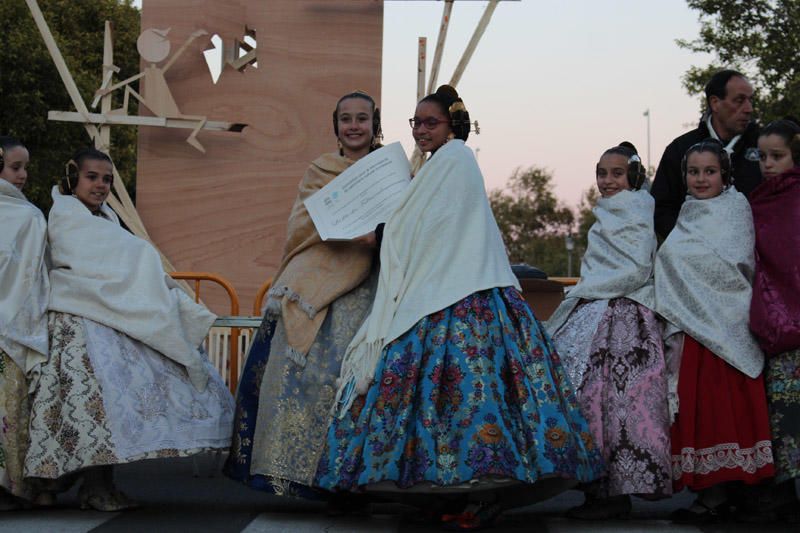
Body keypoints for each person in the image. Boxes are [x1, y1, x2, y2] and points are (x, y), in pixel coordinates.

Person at [316, 85, 602, 531]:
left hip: (462, 292)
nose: (422, 131)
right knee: (471, 399)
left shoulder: (455, 159)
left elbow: (432, 224)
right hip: (451, 289)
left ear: (453, 126)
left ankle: (479, 493)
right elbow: (421, 223)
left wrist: (380, 236)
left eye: (431, 123)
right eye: (416, 123)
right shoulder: (433, 167)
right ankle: (451, 494)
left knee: (468, 398)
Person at [24, 148, 234, 511]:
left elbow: (120, 265)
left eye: (107, 179)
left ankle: (97, 485)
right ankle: (87, 488)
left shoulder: (105, 218)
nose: (101, 185)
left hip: (106, 318)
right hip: (78, 323)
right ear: (73, 177)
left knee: (111, 411)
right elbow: (112, 259)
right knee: (93, 412)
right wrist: (144, 260)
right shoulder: (65, 216)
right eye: (92, 177)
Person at [224, 91, 383, 501]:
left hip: (377, 282)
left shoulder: (391, 171)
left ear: (374, 123)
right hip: (320, 276)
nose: (353, 126)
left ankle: (360, 481)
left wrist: (378, 234)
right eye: (345, 118)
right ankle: (304, 477)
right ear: (335, 126)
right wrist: (353, 228)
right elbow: (305, 222)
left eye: (361, 118)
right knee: (307, 376)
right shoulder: (321, 169)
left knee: (361, 380)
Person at [546, 143, 671, 519]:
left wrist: (587, 292)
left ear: (632, 176)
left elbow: (635, 267)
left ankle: (614, 493)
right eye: (602, 173)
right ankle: (596, 490)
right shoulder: (604, 215)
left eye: (617, 173)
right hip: (598, 309)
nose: (608, 181)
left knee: (619, 407)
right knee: (589, 400)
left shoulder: (638, 211)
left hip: (626, 318)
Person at [654, 139, 774, 524]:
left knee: (727, 414)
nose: (701, 179)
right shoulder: (686, 214)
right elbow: (674, 267)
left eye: (709, 171)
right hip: (692, 331)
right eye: (693, 172)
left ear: (725, 173)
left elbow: (738, 265)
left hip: (729, 329)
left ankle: (734, 493)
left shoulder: (738, 209)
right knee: (699, 414)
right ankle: (711, 493)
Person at [744, 119, 800, 521]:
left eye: (777, 156)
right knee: (779, 411)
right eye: (762, 156)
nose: (768, 164)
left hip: (789, 313)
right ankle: (782, 495)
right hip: (777, 324)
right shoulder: (758, 199)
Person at [651, 70, 761, 238]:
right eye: (739, 100)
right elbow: (661, 208)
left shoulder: (765, 147)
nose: (748, 108)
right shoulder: (680, 149)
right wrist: (691, 242)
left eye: (750, 100)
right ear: (715, 103)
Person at [0, 137, 49, 510]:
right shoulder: (28, 215)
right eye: (15, 167)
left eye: (24, 168)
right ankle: (11, 486)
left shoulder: (28, 214)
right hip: (11, 327)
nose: (23, 176)